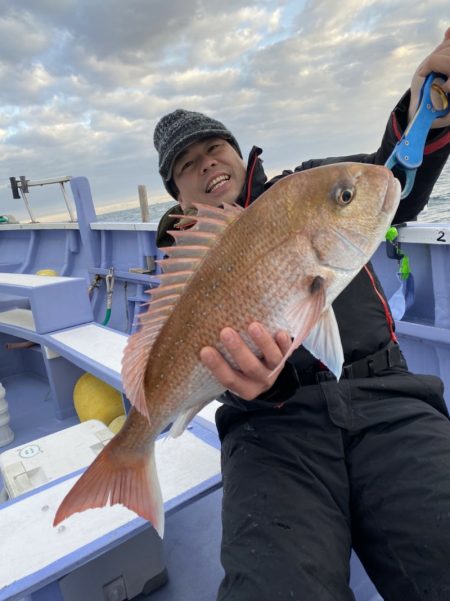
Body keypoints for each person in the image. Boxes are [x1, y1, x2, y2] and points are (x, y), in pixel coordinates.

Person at [153, 31, 450, 601]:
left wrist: (424, 115)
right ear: (180, 195)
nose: (206, 163)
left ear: (237, 153)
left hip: (387, 397)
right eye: (187, 165)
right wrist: (248, 387)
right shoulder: (185, 263)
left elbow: (393, 182)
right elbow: (191, 351)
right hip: (269, 430)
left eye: (214, 147)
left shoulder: (310, 184)